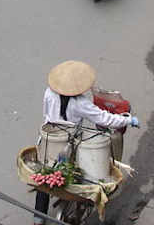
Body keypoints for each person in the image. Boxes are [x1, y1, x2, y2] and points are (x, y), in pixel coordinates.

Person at [33, 61, 139, 225]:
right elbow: (105, 118)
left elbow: (47, 114)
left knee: (45, 175)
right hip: (69, 145)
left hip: (49, 140)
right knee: (87, 170)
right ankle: (84, 203)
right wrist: (129, 120)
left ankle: (38, 217)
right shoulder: (80, 103)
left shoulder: (49, 93)